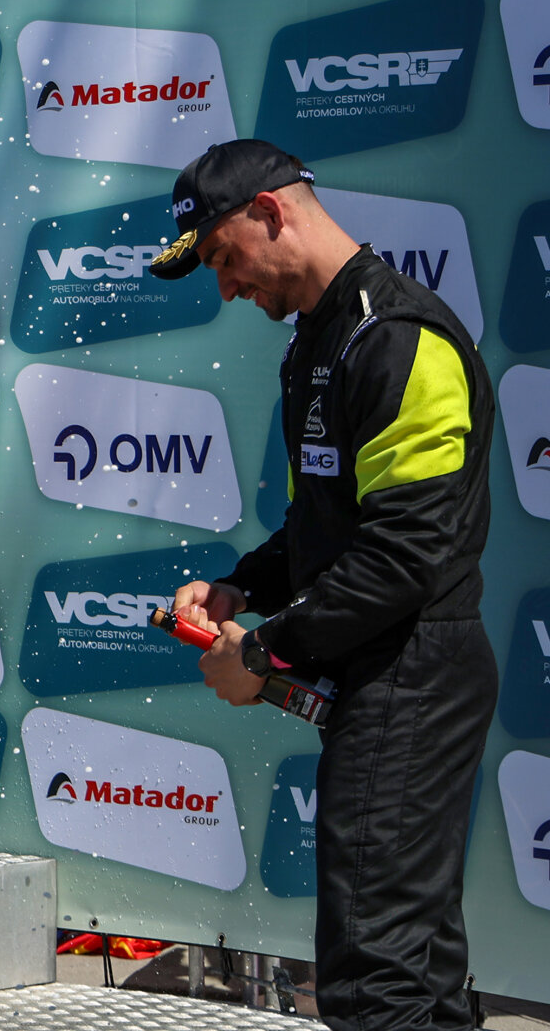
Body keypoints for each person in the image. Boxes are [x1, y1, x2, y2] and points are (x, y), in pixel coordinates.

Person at [151, 139, 497, 1031]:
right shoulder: (321, 336)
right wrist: (240, 589)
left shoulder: (398, 338)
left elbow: (407, 553)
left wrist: (263, 652)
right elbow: (329, 524)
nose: (225, 286)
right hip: (381, 671)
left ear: (271, 212)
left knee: (376, 972)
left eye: (223, 257)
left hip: (414, 674)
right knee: (410, 964)